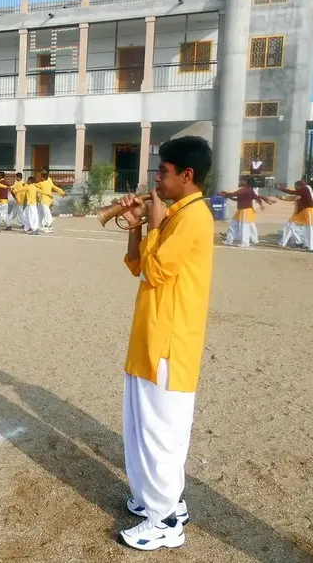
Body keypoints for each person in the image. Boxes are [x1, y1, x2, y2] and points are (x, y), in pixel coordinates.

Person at [116, 136, 214, 551]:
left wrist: (154, 225)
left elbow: (155, 273)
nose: (157, 178)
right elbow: (137, 264)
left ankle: (166, 521)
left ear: (186, 175)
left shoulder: (192, 218)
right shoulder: (175, 213)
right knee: (139, 428)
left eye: (163, 171)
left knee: (162, 434)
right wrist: (137, 225)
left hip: (169, 345)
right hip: (150, 337)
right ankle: (154, 499)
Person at [220, 178, 274, 248]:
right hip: (242, 211)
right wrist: (227, 195)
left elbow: (235, 194)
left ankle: (245, 243)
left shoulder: (245, 189)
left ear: (246, 182)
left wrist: (226, 194)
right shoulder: (249, 189)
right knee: (234, 224)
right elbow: (254, 198)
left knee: (244, 227)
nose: (241, 181)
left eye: (243, 180)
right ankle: (229, 240)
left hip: (245, 211)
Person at [278, 180, 313, 252]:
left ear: (300, 185)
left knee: (309, 229)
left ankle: (310, 247)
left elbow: (292, 192)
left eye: (295, 186)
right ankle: (304, 245)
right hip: (305, 211)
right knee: (294, 225)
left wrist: (280, 188)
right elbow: (294, 195)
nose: (295, 187)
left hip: (309, 211)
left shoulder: (305, 189)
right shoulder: (307, 189)